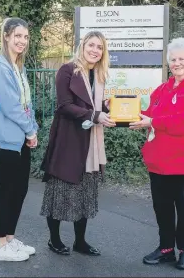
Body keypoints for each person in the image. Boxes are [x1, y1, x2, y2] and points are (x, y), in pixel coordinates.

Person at [129, 37, 184, 270]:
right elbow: (147, 111)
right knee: (162, 206)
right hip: (160, 160)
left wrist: (153, 121)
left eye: (181, 59)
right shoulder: (164, 88)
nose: (177, 63)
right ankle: (166, 249)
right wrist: (119, 110)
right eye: (173, 59)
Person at [40, 31, 115, 256]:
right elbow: (64, 106)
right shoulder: (67, 70)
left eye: (99, 47)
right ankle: (54, 240)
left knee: (84, 194)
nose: (94, 50)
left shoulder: (98, 75)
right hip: (68, 141)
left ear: (103, 53)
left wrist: (107, 107)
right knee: (60, 193)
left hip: (91, 143)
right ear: (82, 47)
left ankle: (79, 242)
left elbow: (91, 104)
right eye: (91, 45)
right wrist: (95, 115)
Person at [0, 17, 39, 262]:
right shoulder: (0, 67)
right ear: (6, 36)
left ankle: (9, 239)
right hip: (8, 139)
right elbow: (10, 106)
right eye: (17, 36)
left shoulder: (19, 67)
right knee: (6, 191)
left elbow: (26, 103)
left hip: (21, 138)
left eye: (26, 37)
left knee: (20, 190)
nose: (22, 41)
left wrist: (32, 129)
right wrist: (30, 130)